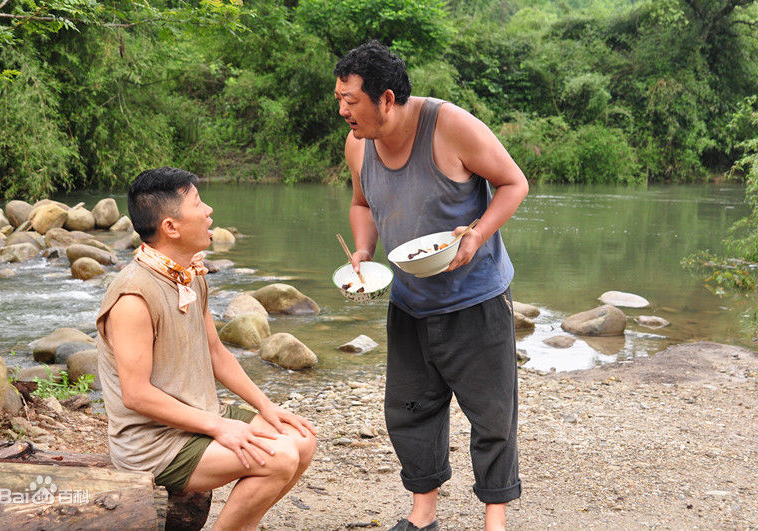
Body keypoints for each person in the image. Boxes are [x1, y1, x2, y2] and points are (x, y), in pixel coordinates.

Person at [333, 41, 528, 531]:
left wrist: (478, 235)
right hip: (410, 302)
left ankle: (495, 521)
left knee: (492, 415)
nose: (342, 111)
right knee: (409, 410)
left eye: (351, 100)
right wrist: (362, 254)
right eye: (338, 98)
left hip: (476, 297)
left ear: (387, 98)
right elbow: (362, 204)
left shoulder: (449, 126)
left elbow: (514, 183)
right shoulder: (358, 144)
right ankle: (423, 516)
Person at [96, 167, 316, 530]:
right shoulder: (133, 296)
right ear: (171, 227)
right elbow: (136, 395)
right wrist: (218, 426)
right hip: (154, 442)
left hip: (199, 415)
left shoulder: (188, 274)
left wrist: (266, 406)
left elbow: (217, 352)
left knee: (301, 441)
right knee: (278, 457)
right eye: (199, 204)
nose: (210, 210)